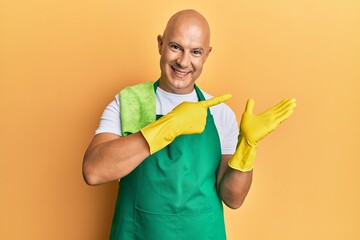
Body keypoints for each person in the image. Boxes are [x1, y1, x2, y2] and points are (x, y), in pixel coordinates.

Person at [82, 9, 296, 240]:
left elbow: (233, 198)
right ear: (160, 44)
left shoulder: (220, 112)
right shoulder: (129, 102)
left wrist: (247, 146)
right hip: (138, 232)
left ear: (207, 55)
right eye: (175, 47)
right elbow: (93, 172)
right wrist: (167, 126)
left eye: (195, 52)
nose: (184, 62)